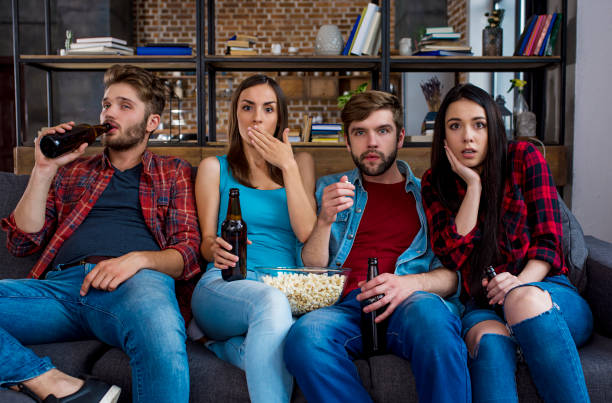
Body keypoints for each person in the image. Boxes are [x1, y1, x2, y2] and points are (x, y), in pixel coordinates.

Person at [0, 64, 201, 403]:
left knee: (161, 335)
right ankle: (51, 381)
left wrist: (136, 261)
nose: (110, 113)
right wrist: (44, 169)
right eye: (107, 104)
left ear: (152, 122)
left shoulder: (173, 171)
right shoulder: (73, 170)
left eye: (125, 105)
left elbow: (189, 254)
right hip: (61, 290)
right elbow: (21, 241)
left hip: (136, 285)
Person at [283, 90, 470, 403]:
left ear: (399, 138)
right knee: (304, 338)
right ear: (347, 141)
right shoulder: (328, 190)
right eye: (360, 132)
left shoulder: (430, 195)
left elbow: (454, 276)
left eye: (382, 131)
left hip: (412, 303)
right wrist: (324, 221)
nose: (371, 143)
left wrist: (407, 285)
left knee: (435, 322)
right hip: (346, 309)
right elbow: (309, 270)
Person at [420, 83, 593, 402]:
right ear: (443, 135)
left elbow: (548, 242)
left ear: (493, 128)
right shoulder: (435, 182)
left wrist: (517, 286)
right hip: (482, 306)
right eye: (455, 126)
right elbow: (454, 255)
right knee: (488, 340)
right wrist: (473, 186)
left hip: (547, 292)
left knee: (521, 301)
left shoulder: (524, 157)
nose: (467, 137)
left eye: (479, 124)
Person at [190, 74, 316, 403]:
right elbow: (205, 242)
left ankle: (229, 350)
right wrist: (213, 247)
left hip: (286, 288)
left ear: (279, 118)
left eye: (268, 109)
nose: (257, 117)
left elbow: (306, 233)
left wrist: (287, 165)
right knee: (271, 303)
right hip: (227, 282)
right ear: (236, 115)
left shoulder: (300, 163)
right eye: (248, 107)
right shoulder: (213, 168)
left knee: (286, 339)